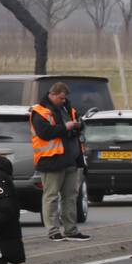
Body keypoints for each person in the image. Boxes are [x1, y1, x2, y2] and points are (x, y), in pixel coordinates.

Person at [30, 82, 90, 241]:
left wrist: (77, 125)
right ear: (53, 94)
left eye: (65, 98)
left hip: (71, 159)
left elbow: (80, 125)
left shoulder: (68, 108)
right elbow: (44, 133)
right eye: (61, 98)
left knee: (70, 196)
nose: (64, 101)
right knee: (51, 196)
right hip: (52, 161)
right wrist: (67, 127)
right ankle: (53, 231)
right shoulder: (40, 112)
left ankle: (71, 230)